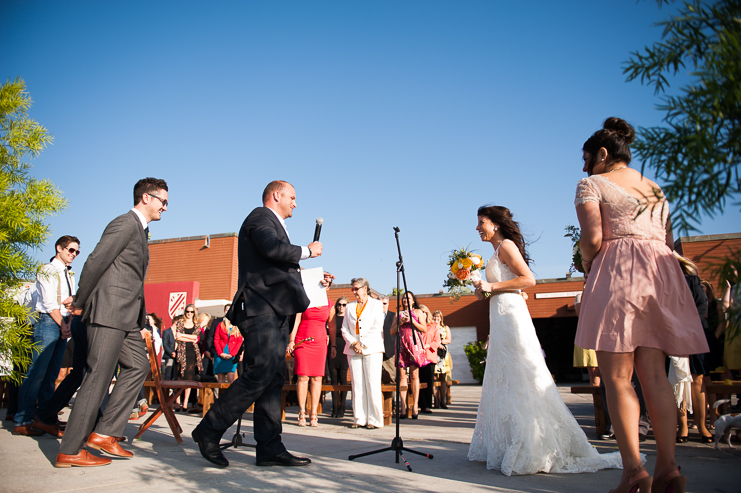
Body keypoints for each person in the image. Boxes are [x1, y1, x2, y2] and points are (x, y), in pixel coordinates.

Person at [575, 117, 708, 492]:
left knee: (617, 378)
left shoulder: (592, 184)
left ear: (602, 154)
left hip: (618, 270)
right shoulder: (656, 188)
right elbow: (666, 237)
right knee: (654, 374)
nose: (584, 167)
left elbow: (593, 237)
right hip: (660, 273)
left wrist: (588, 264)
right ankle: (669, 468)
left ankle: (634, 471)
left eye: (586, 159)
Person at [468, 204, 623, 476]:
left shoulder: (505, 246)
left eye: (481, 222)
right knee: (507, 378)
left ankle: (533, 444)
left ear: (495, 224)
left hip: (512, 317)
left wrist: (492, 286)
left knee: (521, 373)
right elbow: (504, 286)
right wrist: (481, 287)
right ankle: (512, 441)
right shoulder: (495, 252)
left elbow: (528, 280)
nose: (478, 227)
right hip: (501, 315)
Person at [192, 180, 327, 468]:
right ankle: (208, 430)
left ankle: (269, 447)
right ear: (276, 195)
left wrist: (314, 278)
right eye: (292, 197)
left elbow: (278, 268)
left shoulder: (274, 223)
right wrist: (307, 250)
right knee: (259, 374)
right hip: (260, 309)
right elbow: (271, 249)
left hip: (276, 311)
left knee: (274, 377)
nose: (294, 203)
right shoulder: (260, 217)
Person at [56, 177, 168, 468]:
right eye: (163, 201)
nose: (165, 208)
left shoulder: (141, 232)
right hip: (108, 313)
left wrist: (142, 319)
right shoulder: (124, 224)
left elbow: (133, 279)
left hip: (127, 318)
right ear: (146, 197)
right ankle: (70, 449)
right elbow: (95, 261)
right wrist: (80, 302)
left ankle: (105, 432)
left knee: (138, 366)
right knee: (98, 378)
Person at [14, 236, 80, 437]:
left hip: (63, 323)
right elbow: (49, 302)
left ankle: (45, 417)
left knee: (51, 375)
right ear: (59, 248)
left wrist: (69, 318)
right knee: (37, 373)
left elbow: (68, 302)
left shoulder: (70, 275)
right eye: (70, 250)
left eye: (76, 252)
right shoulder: (47, 270)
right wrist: (62, 324)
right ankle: (22, 419)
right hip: (48, 322)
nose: (73, 254)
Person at [288, 277, 335, 427]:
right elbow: (296, 321)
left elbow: (332, 326)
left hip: (320, 342)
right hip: (303, 340)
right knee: (302, 377)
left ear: (328, 288)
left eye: (325, 285)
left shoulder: (330, 304)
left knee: (317, 377)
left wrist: (333, 345)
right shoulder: (304, 301)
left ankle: (313, 413)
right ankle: (302, 411)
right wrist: (291, 340)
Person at [341, 277, 385, 429]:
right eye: (352, 289)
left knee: (372, 384)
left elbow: (377, 326)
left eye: (356, 288)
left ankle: (374, 419)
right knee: (357, 384)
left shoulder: (377, 304)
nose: (354, 292)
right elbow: (344, 328)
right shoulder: (349, 306)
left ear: (365, 288)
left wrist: (363, 343)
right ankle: (359, 418)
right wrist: (353, 343)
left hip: (372, 348)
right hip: (353, 349)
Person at [392, 291, 429, 418]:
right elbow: (392, 331)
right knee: (402, 376)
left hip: (414, 344)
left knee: (414, 375)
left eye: (408, 298)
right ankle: (403, 407)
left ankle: (415, 406)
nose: (405, 300)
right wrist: (400, 322)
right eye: (403, 298)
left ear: (413, 300)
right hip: (401, 344)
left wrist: (413, 322)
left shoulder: (418, 312)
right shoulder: (398, 314)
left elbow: (424, 329)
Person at [174, 305, 204, 412]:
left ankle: (186, 402)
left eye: (191, 312)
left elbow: (195, 337)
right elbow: (177, 336)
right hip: (181, 352)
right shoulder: (180, 323)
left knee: (189, 378)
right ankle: (177, 402)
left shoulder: (196, 324)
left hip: (192, 353)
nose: (189, 313)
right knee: (179, 378)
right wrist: (189, 338)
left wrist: (184, 336)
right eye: (187, 311)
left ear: (194, 313)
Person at [327, 296, 349, 417]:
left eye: (344, 305)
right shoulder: (332, 318)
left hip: (344, 349)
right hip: (333, 348)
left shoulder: (349, 318)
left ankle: (342, 407)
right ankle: (334, 408)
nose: (341, 307)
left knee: (343, 378)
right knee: (334, 380)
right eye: (339, 304)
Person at [418, 304, 440, 414]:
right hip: (418, 357)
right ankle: (419, 403)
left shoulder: (434, 326)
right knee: (418, 381)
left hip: (429, 357)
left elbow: (437, 341)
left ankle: (426, 405)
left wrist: (427, 345)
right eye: (420, 313)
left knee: (428, 382)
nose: (422, 315)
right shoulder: (417, 326)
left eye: (423, 312)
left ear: (427, 313)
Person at [213, 313, 243, 384]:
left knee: (231, 378)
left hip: (232, 355)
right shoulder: (221, 325)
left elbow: (239, 342)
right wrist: (220, 353)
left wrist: (232, 354)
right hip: (220, 354)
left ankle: (230, 395)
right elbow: (216, 339)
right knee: (220, 379)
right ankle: (221, 395)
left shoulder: (237, 326)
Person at [433, 310, 452, 409]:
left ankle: (443, 401)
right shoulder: (431, 327)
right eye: (434, 317)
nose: (436, 319)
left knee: (442, 377)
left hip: (442, 354)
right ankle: (435, 401)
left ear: (441, 318)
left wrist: (440, 341)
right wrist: (436, 343)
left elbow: (448, 339)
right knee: (434, 377)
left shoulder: (445, 328)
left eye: (438, 317)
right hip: (433, 353)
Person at [379, 295, 397, 384]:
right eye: (380, 303)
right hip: (375, 351)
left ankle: (391, 398)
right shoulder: (370, 316)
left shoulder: (394, 316)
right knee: (376, 380)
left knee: (391, 379)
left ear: (388, 304)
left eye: (384, 303)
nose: (382, 305)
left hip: (389, 353)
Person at [161, 315, 179, 380]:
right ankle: (166, 389)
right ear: (176, 323)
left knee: (175, 375)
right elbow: (165, 345)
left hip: (177, 356)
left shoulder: (179, 333)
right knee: (168, 374)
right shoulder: (166, 332)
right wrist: (171, 353)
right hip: (169, 356)